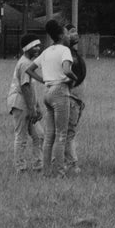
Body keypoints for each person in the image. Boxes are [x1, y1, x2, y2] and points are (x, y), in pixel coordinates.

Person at [37, 18, 76, 174]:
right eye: (67, 33)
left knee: (49, 135)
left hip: (47, 92)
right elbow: (66, 70)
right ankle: (60, 171)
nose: (69, 36)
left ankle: (46, 171)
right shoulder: (65, 50)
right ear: (61, 35)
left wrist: (44, 80)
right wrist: (74, 78)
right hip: (60, 92)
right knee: (61, 134)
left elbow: (30, 68)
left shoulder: (46, 51)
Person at [6, 38, 44, 173]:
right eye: (35, 47)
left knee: (39, 135)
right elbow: (25, 88)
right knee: (21, 137)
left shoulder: (29, 63)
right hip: (20, 103)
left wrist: (37, 106)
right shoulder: (24, 64)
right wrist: (32, 109)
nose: (39, 49)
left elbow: (32, 89)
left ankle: (38, 165)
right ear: (27, 48)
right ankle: (20, 167)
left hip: (27, 103)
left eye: (39, 46)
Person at [62, 25, 87, 171]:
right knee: (67, 132)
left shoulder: (73, 53)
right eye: (69, 33)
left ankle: (62, 160)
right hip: (70, 97)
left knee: (68, 131)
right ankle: (71, 164)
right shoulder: (65, 54)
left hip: (77, 99)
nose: (74, 35)